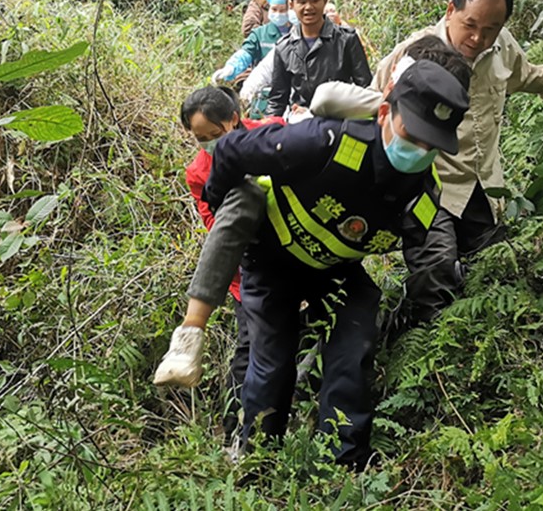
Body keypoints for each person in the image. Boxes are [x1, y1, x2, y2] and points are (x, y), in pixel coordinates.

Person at [201, 59, 469, 469]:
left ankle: (341, 465)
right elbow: (231, 150)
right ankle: (255, 457)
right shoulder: (326, 141)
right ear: (384, 113)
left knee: (355, 341)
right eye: (412, 135)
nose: (420, 151)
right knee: (272, 358)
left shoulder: (421, 192)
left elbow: (429, 254)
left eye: (432, 146)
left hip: (336, 271)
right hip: (275, 256)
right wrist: (225, 211)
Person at [374, 0, 543, 327]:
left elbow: (530, 76)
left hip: (482, 186)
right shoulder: (415, 53)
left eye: (490, 28)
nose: (478, 37)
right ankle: (424, 347)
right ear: (450, 11)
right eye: (470, 25)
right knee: (436, 265)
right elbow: (375, 101)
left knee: (495, 270)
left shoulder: (502, 47)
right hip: (429, 183)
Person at [155, 87, 285, 438]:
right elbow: (215, 226)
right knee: (250, 349)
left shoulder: (271, 133)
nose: (209, 144)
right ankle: (233, 432)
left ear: (233, 118)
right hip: (246, 271)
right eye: (200, 138)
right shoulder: (199, 172)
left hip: (296, 255)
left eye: (215, 135)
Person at [267, 0, 371, 117]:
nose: (309, 7)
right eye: (302, 2)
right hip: (301, 123)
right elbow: (277, 100)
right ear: (291, 5)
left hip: (340, 120)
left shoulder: (346, 39)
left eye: (315, 0)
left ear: (325, 1)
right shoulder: (284, 47)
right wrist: (268, 129)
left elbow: (366, 89)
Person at [214, 0, 292, 85]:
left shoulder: (299, 32)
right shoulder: (260, 34)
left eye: (282, 10)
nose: (277, 14)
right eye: (274, 9)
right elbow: (246, 53)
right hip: (264, 88)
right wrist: (232, 66)